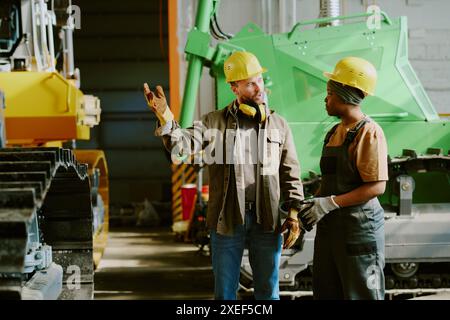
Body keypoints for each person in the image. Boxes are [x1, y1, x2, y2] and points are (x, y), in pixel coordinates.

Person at [143, 51, 304, 300]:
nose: (257, 88)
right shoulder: (213, 122)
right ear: (234, 88)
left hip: (268, 219)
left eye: (259, 80)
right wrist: (165, 117)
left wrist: (293, 214)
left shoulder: (279, 125)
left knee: (268, 292)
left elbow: (290, 171)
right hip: (227, 218)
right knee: (225, 294)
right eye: (249, 83)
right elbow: (181, 147)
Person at [301, 57, 388, 300]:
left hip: (359, 230)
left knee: (361, 294)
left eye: (329, 93)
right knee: (327, 293)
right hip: (330, 230)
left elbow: (377, 186)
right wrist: (310, 205)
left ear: (345, 94)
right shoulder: (334, 131)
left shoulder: (369, 132)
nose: (325, 99)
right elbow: (330, 181)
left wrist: (329, 203)